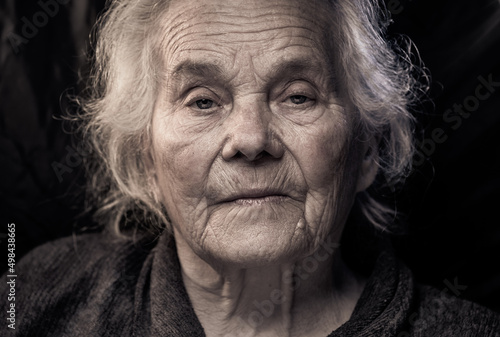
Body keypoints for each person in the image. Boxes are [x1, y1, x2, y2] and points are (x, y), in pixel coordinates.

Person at [1, 0, 499, 335]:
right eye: (202, 102)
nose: (251, 139)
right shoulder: (37, 294)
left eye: (298, 96)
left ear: (367, 148)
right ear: (145, 161)